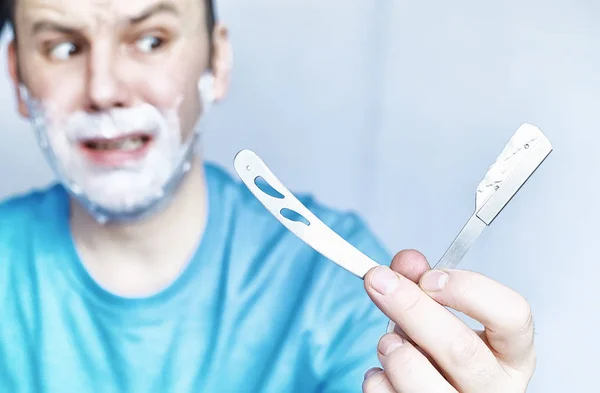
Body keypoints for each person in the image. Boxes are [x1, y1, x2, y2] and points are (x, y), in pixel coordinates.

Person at [0, 0, 537, 392]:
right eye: (63, 47)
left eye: (151, 39)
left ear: (218, 61)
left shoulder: (331, 281)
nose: (104, 88)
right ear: (17, 74)